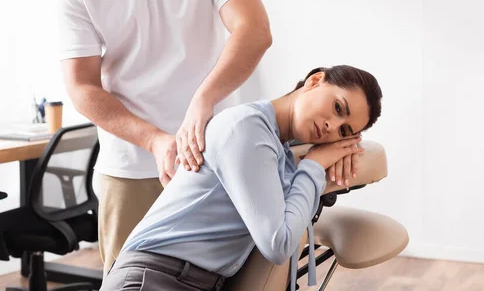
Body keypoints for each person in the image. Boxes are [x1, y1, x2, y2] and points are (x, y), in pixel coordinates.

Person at [58, 0, 273, 275]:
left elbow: (253, 31)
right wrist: (153, 139)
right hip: (129, 168)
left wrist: (202, 100)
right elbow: (82, 88)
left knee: (221, 281)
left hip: (215, 159)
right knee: (128, 281)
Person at [99, 65, 383, 291]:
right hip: (155, 279)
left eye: (344, 132)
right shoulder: (248, 129)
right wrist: (315, 167)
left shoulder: (279, 149)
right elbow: (278, 244)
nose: (331, 127)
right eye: (337, 108)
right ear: (314, 81)